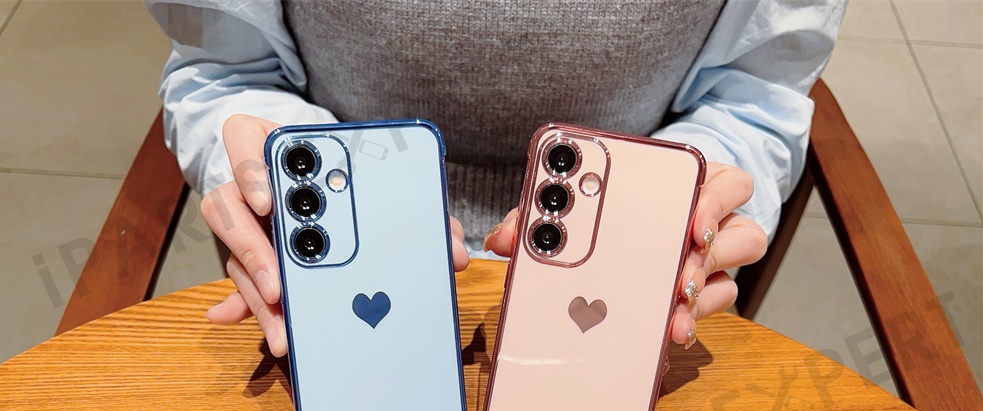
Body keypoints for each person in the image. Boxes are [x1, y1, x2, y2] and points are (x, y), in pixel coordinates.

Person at [145, 0, 845, 357]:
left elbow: (757, 94)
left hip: (628, 278)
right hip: (341, 262)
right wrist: (280, 178)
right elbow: (226, 70)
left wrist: (678, 199)